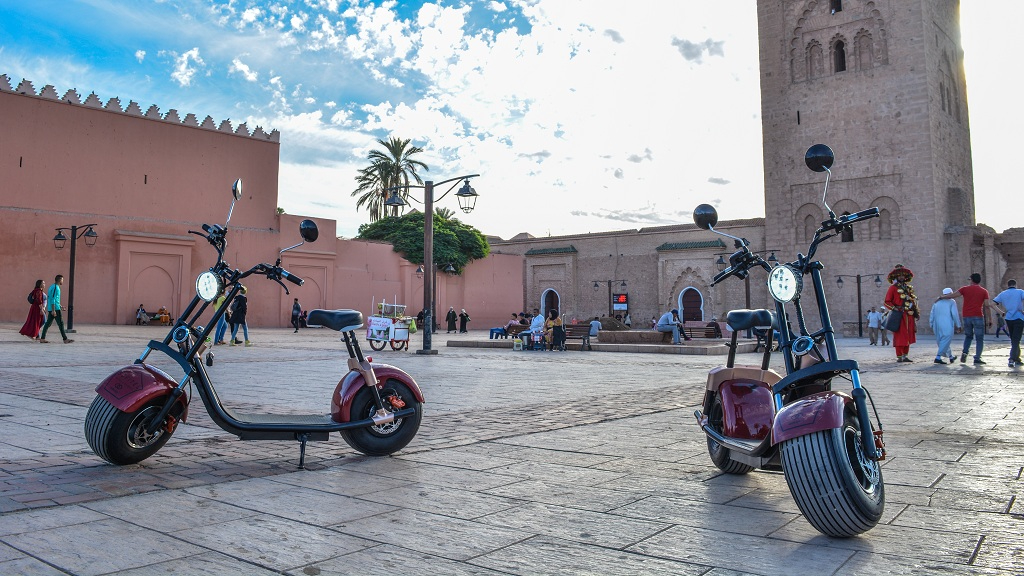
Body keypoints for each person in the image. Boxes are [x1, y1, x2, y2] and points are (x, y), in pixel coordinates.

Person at [937, 272, 1000, 365]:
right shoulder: (984, 291)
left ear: (972, 280)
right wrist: (990, 319)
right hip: (978, 316)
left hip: (967, 316)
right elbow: (987, 306)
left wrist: (941, 297)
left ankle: (965, 352)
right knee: (979, 338)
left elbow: (953, 295)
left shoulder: (964, 289)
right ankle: (977, 357)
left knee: (968, 336)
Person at [883, 264, 919, 362]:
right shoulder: (893, 288)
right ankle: (899, 356)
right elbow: (887, 301)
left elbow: (911, 300)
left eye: (903, 275)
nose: (901, 277)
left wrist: (915, 310)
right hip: (899, 315)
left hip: (908, 314)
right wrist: (895, 308)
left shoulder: (908, 288)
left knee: (908, 335)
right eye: (899, 276)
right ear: (896, 277)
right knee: (900, 336)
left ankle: (905, 355)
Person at [993, 279, 1024, 368]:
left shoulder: (1003, 293)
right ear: (1015, 285)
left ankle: (1017, 358)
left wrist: (1001, 312)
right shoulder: (1020, 292)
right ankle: (1011, 359)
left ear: (1008, 285)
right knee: (1016, 339)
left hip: (1009, 318)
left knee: (1014, 339)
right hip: (1019, 318)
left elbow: (992, 304)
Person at [929, 288, 961, 364]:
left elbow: (932, 314)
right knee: (946, 339)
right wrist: (958, 325)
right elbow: (954, 314)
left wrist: (931, 323)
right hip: (947, 324)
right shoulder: (951, 302)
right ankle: (938, 357)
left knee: (943, 341)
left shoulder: (937, 302)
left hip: (937, 324)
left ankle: (951, 357)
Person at [40, 274, 73, 344]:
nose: (63, 281)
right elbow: (52, 299)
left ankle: (42, 338)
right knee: (60, 324)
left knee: (48, 323)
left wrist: (60, 306)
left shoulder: (52, 287)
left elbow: (55, 300)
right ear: (60, 280)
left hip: (54, 308)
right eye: (62, 280)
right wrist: (53, 310)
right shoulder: (55, 287)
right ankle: (65, 339)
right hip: (55, 309)